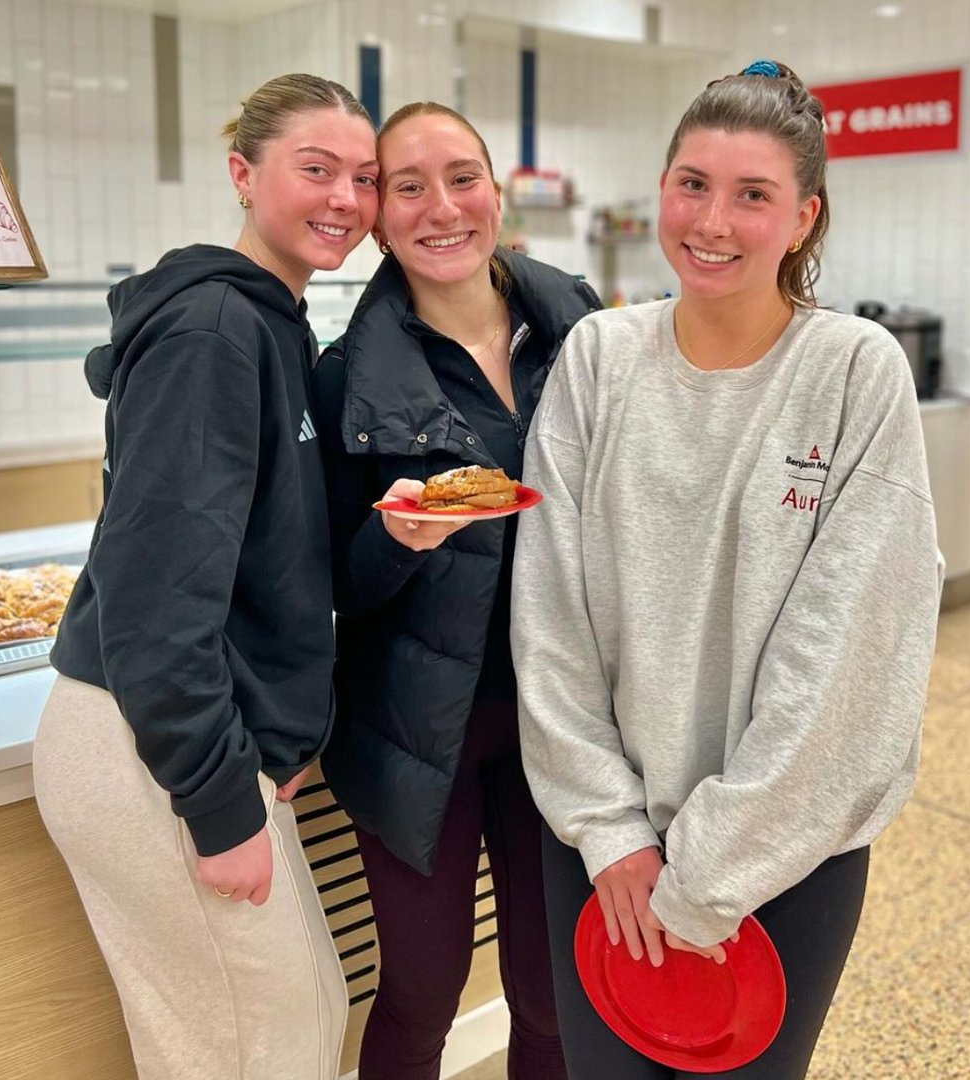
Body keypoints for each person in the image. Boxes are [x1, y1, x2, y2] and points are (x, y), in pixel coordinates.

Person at [511, 61, 943, 1080]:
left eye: (753, 195)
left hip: (783, 858)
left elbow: (847, 659)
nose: (713, 220)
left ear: (803, 218)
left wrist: (711, 870)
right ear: (661, 189)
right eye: (693, 184)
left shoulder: (852, 371)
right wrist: (614, 833)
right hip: (604, 854)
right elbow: (549, 616)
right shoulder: (599, 358)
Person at [32, 73, 380, 1080]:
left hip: (201, 735)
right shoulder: (214, 335)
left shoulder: (272, 323)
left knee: (295, 1031)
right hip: (148, 745)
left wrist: (276, 727)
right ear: (243, 172)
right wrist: (218, 798)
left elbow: (253, 563)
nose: (344, 200)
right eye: (315, 170)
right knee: (254, 1055)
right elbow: (153, 605)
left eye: (362, 177)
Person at [310, 102, 600, 1080]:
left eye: (462, 177)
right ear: (380, 218)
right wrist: (395, 540)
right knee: (422, 991)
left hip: (561, 722)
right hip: (413, 730)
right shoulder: (347, 378)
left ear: (499, 192)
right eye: (408, 186)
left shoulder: (584, 336)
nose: (442, 207)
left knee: (553, 994)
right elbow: (335, 587)